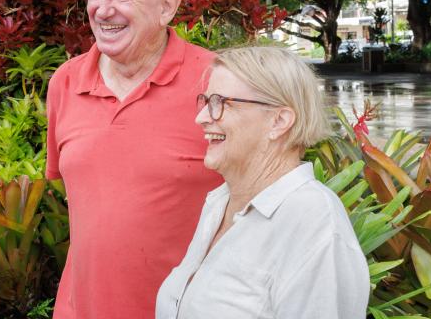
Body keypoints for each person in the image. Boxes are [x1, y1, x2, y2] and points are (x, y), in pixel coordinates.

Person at [45, 0, 222, 319]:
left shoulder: (218, 82)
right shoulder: (65, 81)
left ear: (167, 7)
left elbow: (256, 200)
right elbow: (87, 198)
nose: (103, 10)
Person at [155, 46, 368, 318]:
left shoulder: (313, 222)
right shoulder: (220, 203)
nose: (202, 117)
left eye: (221, 103)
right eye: (206, 101)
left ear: (279, 121)